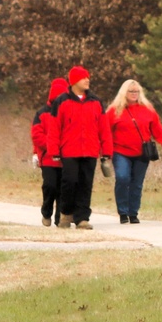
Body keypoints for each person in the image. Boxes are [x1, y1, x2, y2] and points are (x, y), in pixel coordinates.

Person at [47, 66, 112, 230]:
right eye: (84, 78)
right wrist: (53, 150)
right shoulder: (61, 101)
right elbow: (54, 128)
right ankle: (66, 213)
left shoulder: (96, 101)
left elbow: (104, 128)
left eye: (88, 77)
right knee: (69, 182)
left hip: (90, 150)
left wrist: (107, 151)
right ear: (74, 81)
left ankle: (82, 218)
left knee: (86, 183)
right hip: (69, 150)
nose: (87, 80)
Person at [106, 80, 162, 225]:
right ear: (124, 93)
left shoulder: (147, 109)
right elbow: (106, 132)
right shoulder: (114, 110)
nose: (134, 94)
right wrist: (105, 151)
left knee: (137, 183)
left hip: (142, 153)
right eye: (131, 91)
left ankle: (133, 213)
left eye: (136, 91)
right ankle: (123, 212)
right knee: (123, 178)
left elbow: (157, 128)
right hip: (120, 151)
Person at [31, 78, 68, 227]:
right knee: (50, 186)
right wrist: (52, 145)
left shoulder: (69, 112)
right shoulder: (41, 113)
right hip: (48, 158)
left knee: (62, 189)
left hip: (66, 158)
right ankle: (46, 212)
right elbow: (36, 134)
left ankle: (59, 218)